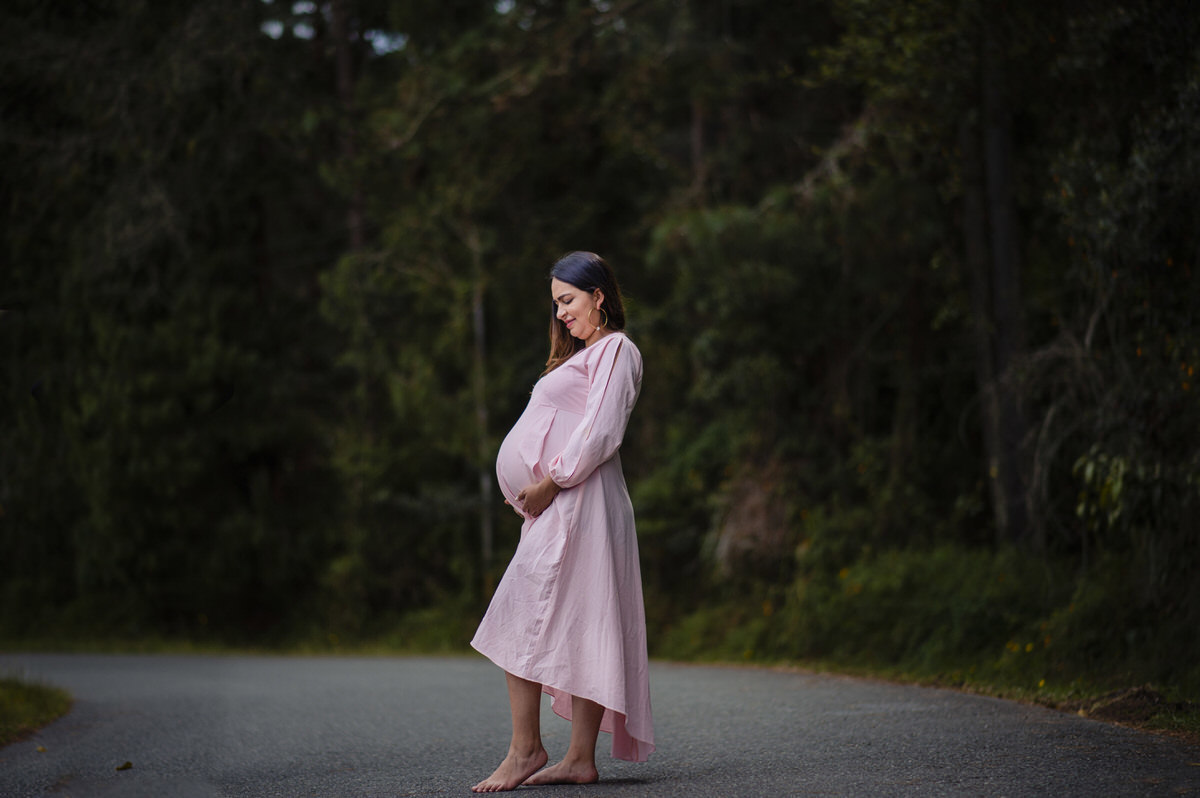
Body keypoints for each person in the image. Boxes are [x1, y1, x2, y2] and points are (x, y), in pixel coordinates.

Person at [470, 251, 655, 793]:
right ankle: (575, 758)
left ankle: (531, 750)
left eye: (568, 300)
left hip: (582, 498)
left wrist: (551, 480)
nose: (561, 313)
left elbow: (602, 430)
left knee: (536, 610)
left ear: (600, 295)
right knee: (578, 617)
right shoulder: (584, 355)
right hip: (568, 501)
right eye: (555, 304)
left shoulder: (617, 349)